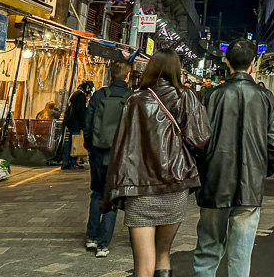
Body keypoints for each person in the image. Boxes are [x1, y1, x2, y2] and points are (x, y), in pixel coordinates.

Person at [103, 49, 211, 277]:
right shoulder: (187, 97)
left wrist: (113, 189)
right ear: (177, 69)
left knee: (143, 261)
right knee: (163, 252)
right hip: (175, 183)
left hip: (139, 186)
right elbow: (201, 139)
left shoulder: (134, 100)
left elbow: (121, 147)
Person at [193, 39, 274, 277]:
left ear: (226, 62)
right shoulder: (265, 98)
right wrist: (262, 169)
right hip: (250, 184)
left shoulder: (212, 96)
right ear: (253, 64)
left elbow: (198, 141)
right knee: (241, 255)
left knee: (208, 250)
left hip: (214, 181)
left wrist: (203, 172)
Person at [84, 60, 132, 258]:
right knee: (112, 196)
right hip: (119, 155)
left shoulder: (99, 95)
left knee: (96, 193)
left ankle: (91, 237)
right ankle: (104, 244)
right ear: (128, 76)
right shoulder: (131, 98)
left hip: (97, 151)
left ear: (110, 75)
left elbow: (88, 123)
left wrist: (90, 146)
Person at [62, 81, 94, 170]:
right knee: (74, 142)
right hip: (76, 123)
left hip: (71, 122)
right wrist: (84, 123)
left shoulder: (75, 94)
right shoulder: (80, 96)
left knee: (70, 142)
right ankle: (72, 161)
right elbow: (81, 111)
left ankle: (66, 162)